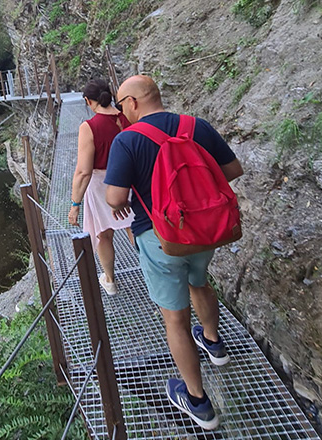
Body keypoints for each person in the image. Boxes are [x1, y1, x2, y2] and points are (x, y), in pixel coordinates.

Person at [104, 75, 244, 430]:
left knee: (175, 319)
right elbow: (233, 171)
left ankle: (197, 401)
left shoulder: (127, 140)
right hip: (204, 233)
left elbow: (116, 198)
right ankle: (214, 345)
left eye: (121, 105)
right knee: (200, 283)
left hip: (161, 239)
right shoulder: (196, 126)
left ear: (132, 102)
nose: (121, 112)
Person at [68, 79, 134, 296]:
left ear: (88, 101)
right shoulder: (128, 117)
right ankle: (153, 268)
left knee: (103, 234)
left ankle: (110, 280)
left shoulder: (89, 127)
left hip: (101, 186)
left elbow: (83, 171)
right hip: (131, 180)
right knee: (134, 227)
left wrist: (75, 204)